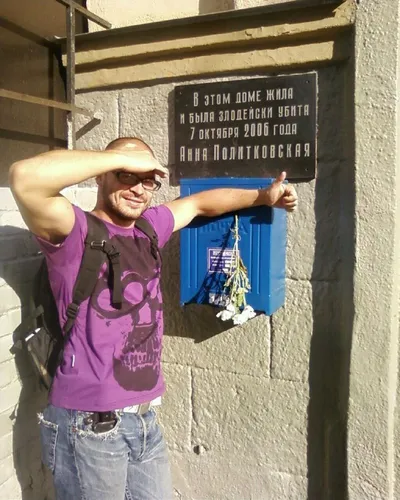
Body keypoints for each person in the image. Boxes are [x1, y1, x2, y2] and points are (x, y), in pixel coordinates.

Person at [9, 137, 298, 500]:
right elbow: (24, 178)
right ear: (101, 175)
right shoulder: (74, 230)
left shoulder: (148, 228)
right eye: (126, 175)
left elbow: (198, 203)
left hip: (143, 421)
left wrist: (262, 197)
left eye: (148, 181)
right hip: (88, 425)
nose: (138, 189)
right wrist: (119, 158)